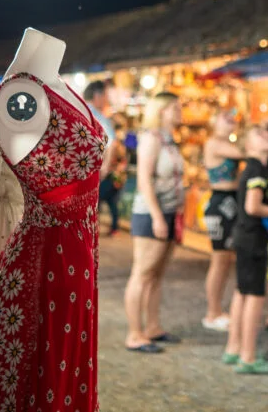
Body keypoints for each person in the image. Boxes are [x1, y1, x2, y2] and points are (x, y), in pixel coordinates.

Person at [124, 92, 184, 353]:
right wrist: (158, 216)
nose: (180, 112)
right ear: (162, 111)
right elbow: (144, 180)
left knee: (156, 274)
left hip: (169, 211)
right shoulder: (151, 138)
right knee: (142, 272)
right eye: (175, 108)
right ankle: (135, 333)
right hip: (151, 213)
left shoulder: (169, 140)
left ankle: (153, 327)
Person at [223, 125, 268, 374]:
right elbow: (253, 207)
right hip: (254, 239)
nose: (266, 134)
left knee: (242, 292)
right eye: (259, 133)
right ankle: (248, 355)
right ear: (248, 145)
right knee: (255, 297)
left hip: (244, 238)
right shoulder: (257, 169)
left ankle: (234, 347)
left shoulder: (255, 168)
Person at [201, 109, 246, 331]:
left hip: (231, 201)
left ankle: (217, 309)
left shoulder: (226, 142)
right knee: (219, 260)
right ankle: (212, 312)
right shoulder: (214, 143)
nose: (230, 120)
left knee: (226, 260)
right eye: (224, 117)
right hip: (220, 203)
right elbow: (243, 152)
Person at [85, 81, 122, 235]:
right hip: (93, 170)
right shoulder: (99, 116)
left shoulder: (80, 110)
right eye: (106, 96)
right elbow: (112, 143)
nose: (107, 100)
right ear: (97, 96)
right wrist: (106, 167)